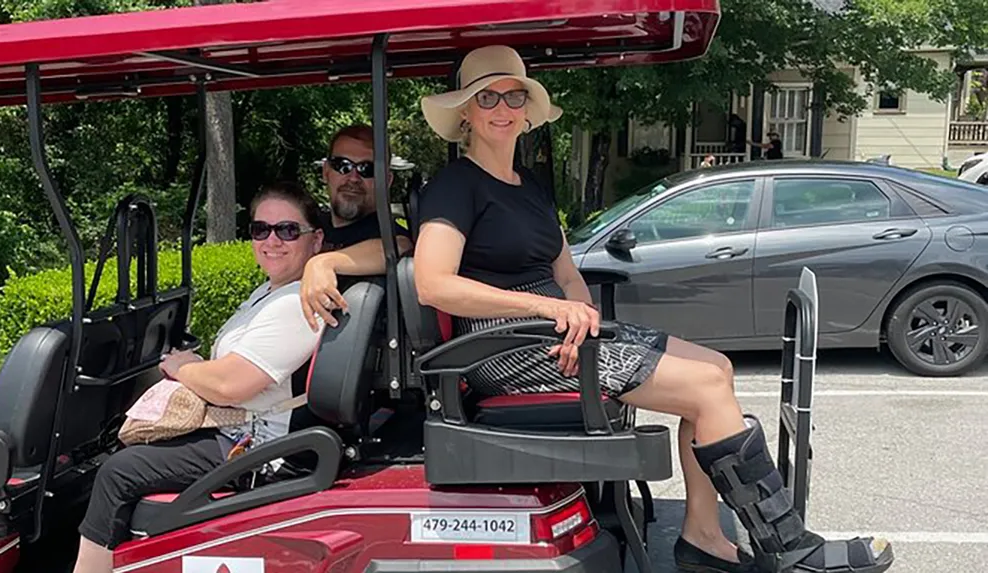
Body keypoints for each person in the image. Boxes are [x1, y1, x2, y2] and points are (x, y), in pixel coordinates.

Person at [412, 45, 893, 573]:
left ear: (528, 109)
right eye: (487, 97)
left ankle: (703, 537)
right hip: (504, 347)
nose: (502, 108)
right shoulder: (454, 185)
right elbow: (434, 285)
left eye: (514, 95)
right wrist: (546, 313)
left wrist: (578, 320)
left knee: (716, 369)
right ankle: (789, 546)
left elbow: (567, 274)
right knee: (705, 389)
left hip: (554, 336)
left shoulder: (530, 187)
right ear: (465, 113)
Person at [73, 181, 327, 573]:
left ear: (316, 240)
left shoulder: (297, 304)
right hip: (239, 431)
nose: (272, 240)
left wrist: (182, 367)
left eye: (288, 230)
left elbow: (230, 385)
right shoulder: (270, 292)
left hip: (259, 447)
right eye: (261, 230)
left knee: (118, 472)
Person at [300, 123, 413, 331]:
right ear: (326, 172)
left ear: (386, 180)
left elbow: (398, 246)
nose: (353, 178)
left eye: (367, 169)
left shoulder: (387, 234)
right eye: (342, 165)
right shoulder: (307, 225)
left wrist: (323, 262)